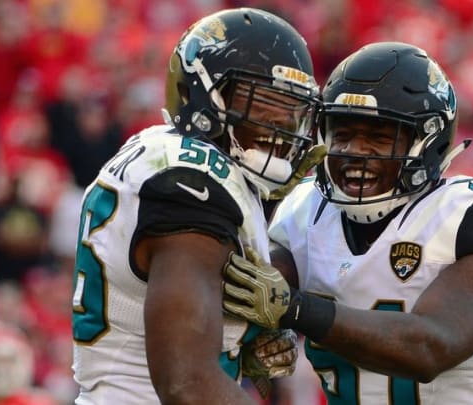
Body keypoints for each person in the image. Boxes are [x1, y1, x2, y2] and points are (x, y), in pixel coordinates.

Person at [221, 42, 473, 404]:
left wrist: (295, 310)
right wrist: (254, 337)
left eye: (378, 137)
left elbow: (430, 347)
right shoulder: (304, 208)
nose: (355, 152)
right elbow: (252, 290)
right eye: (342, 135)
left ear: (427, 142)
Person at [70, 8, 326, 404]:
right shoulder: (192, 179)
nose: (277, 129)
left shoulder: (173, 156)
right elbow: (187, 383)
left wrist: (235, 337)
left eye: (289, 114)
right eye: (260, 107)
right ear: (198, 95)